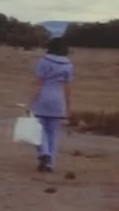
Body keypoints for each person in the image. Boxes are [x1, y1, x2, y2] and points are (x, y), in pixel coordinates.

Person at [27, 37, 74, 172]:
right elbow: (68, 88)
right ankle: (50, 163)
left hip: (43, 98)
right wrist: (68, 107)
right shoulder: (69, 65)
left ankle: (44, 153)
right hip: (58, 100)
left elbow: (38, 84)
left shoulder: (43, 62)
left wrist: (30, 103)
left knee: (39, 129)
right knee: (53, 133)